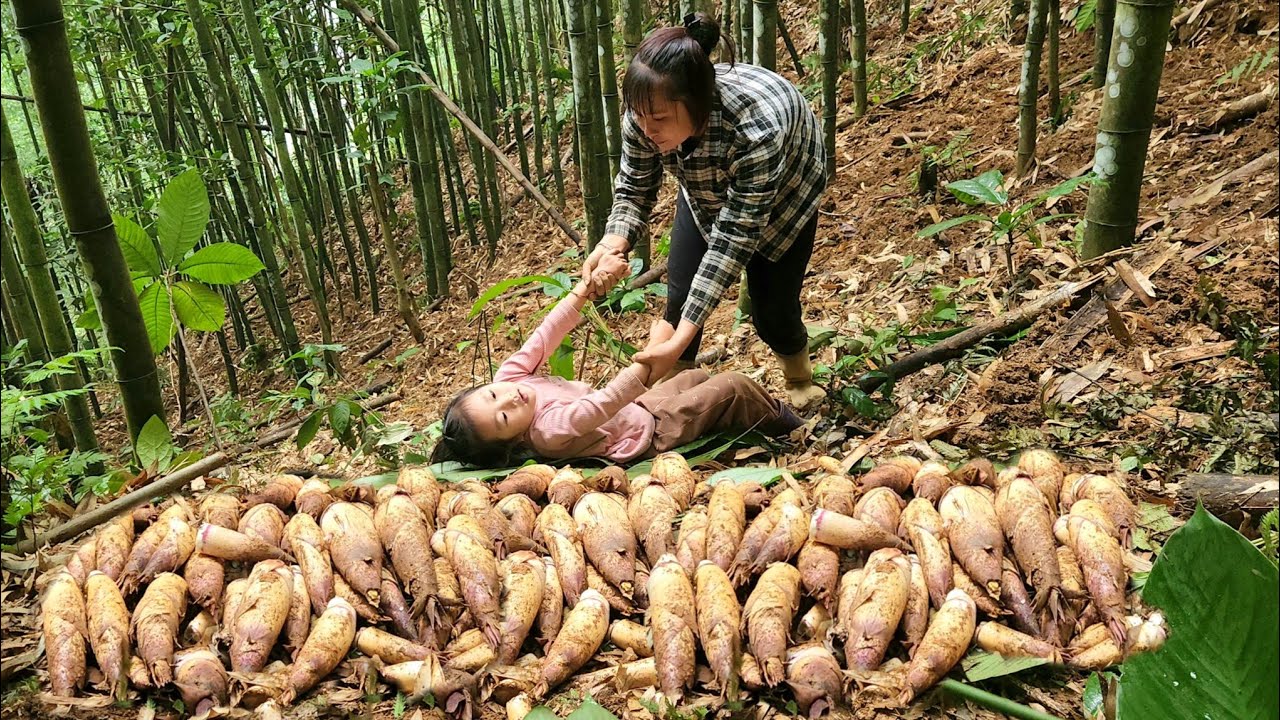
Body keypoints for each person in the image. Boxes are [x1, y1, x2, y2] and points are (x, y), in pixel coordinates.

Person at [581, 12, 828, 409]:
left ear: (697, 104)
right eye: (640, 117)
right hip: (702, 185)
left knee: (773, 310)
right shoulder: (646, 114)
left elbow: (733, 241)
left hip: (784, 194)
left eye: (659, 119)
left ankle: (798, 375)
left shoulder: (755, 130)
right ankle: (678, 387)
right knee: (679, 298)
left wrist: (677, 336)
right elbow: (634, 186)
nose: (647, 129)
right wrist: (613, 242)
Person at [433, 273, 803, 467]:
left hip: (637, 409)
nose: (509, 400)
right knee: (732, 388)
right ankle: (790, 428)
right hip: (647, 432)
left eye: (494, 395)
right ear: (514, 441)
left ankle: (728, 421)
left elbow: (545, 335)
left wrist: (582, 292)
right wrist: (650, 362)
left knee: (693, 377)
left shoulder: (508, 379)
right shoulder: (547, 430)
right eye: (504, 419)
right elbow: (604, 403)